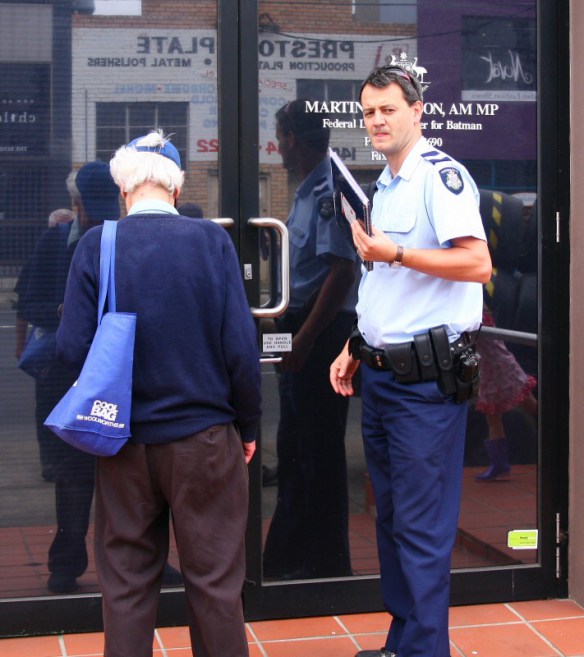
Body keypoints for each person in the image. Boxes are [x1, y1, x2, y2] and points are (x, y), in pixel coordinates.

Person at [55, 130, 261, 657]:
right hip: (205, 440)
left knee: (125, 586)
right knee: (215, 585)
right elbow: (241, 350)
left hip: (122, 442)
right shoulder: (211, 241)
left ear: (124, 190)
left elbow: (71, 347)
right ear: (175, 188)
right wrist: (250, 426)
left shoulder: (96, 244)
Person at [329, 65, 492, 657]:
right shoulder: (388, 184)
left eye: (387, 110)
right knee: (393, 522)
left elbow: (477, 264)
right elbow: (383, 282)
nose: (376, 121)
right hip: (383, 375)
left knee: (421, 529)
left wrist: (395, 250)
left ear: (417, 110)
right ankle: (405, 644)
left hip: (427, 385)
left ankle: (426, 651)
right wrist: (355, 344)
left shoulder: (438, 176)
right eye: (368, 112)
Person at [262, 99, 358, 579]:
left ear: (294, 140)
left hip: (320, 333)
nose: (277, 147)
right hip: (298, 325)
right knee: (294, 446)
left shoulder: (328, 190)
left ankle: (327, 565)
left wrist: (303, 340)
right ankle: (287, 556)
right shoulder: (305, 190)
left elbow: (342, 273)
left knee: (318, 451)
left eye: (280, 137)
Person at [19, 161, 121, 594]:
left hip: (115, 373)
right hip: (67, 374)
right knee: (72, 474)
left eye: (104, 209)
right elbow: (27, 303)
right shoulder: (54, 241)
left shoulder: (123, 240)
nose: (95, 218)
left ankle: (135, 562)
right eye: (88, 209)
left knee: (127, 474)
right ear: (75, 204)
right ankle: (66, 563)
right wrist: (64, 314)